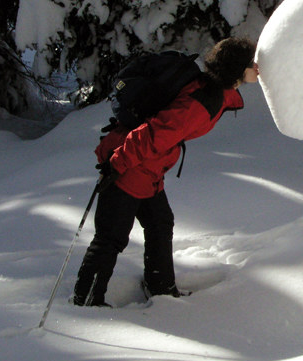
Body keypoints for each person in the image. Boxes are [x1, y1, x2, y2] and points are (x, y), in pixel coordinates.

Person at [72, 37, 259, 306]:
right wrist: (116, 164)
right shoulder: (202, 101)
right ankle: (85, 301)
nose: (257, 67)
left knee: (160, 223)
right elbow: (153, 134)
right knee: (111, 237)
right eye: (252, 63)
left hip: (148, 168)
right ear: (237, 69)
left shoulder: (211, 91)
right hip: (131, 164)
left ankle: (160, 287)